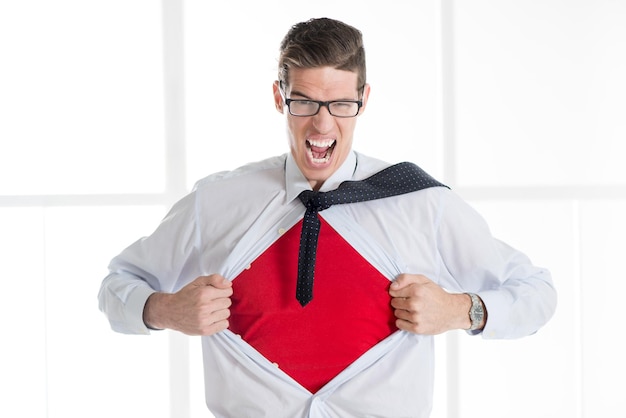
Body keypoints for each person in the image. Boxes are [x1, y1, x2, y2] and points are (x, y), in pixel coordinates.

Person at [98, 17, 557, 417]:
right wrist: (164, 310)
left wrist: (461, 310)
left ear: (364, 99)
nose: (322, 125)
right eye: (304, 103)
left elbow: (537, 294)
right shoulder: (217, 201)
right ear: (280, 98)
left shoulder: (419, 202)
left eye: (341, 104)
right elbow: (117, 284)